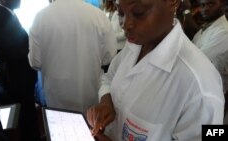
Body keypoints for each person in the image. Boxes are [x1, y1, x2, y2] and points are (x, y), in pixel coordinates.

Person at [87, 0, 224, 140]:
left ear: (172, 3)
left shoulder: (200, 89)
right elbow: (108, 78)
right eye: (121, 13)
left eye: (138, 13)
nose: (126, 24)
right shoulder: (134, 46)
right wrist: (106, 101)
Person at [28, 0, 117, 113]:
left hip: (56, 94)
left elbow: (35, 62)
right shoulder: (98, 15)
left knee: (59, 127)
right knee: (91, 127)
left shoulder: (40, 18)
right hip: (89, 91)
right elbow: (109, 57)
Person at [0, 0, 39, 140]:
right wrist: (33, 50)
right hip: (14, 87)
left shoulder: (9, 16)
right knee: (24, 127)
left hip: (23, 85)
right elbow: (7, 52)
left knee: (30, 123)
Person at [192, 0, 228, 95]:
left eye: (211, 4)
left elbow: (195, 60)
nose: (205, 9)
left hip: (210, 92)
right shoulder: (201, 31)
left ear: (223, 5)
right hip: (198, 88)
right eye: (202, 5)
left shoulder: (224, 32)